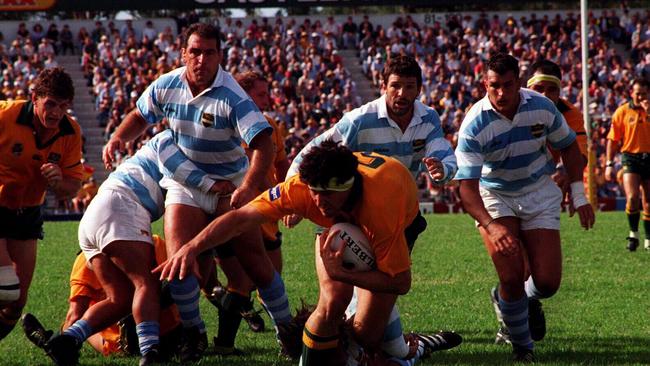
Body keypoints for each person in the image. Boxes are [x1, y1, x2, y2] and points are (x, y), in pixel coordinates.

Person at [156, 141, 462, 366]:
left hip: (397, 224)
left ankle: (412, 349)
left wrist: (344, 273)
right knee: (331, 303)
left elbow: (400, 283)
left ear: (348, 186)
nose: (318, 203)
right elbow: (240, 219)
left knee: (368, 335)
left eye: (328, 194)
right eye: (314, 192)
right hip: (345, 226)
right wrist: (192, 247)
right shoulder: (300, 189)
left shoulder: (381, 207)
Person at [102, 23, 296, 360]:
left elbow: (263, 144)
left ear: (220, 56)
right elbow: (139, 115)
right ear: (183, 54)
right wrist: (120, 136)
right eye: (195, 51)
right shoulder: (168, 84)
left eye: (209, 52)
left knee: (255, 261)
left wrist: (249, 185)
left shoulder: (233, 95)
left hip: (230, 186)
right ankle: (194, 334)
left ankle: (287, 332)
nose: (201, 59)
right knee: (179, 262)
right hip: (186, 184)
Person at [285, 54, 458, 362]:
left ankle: (405, 349)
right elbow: (310, 152)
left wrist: (442, 169)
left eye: (409, 87)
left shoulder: (427, 117)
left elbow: (442, 150)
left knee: (375, 317)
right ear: (383, 86)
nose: (402, 94)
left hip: (398, 221)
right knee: (355, 308)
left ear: (419, 88)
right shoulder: (359, 120)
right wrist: (296, 196)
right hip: (352, 219)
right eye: (395, 86)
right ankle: (392, 350)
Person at [42, 129, 227, 366]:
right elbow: (183, 172)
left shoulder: (169, 143)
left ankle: (68, 340)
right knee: (145, 284)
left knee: (120, 298)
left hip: (95, 216)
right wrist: (214, 186)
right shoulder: (170, 140)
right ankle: (150, 353)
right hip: (119, 207)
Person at [455, 53, 595, 362]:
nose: (501, 93)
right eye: (494, 86)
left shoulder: (541, 107)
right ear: (484, 84)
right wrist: (491, 226)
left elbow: (569, 146)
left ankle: (507, 302)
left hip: (537, 190)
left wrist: (579, 194)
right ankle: (522, 347)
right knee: (512, 273)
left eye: (508, 85)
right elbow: (465, 188)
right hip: (495, 195)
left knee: (546, 282)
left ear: (519, 82)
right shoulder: (474, 123)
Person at [208, 71, 291, 355]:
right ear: (244, 95)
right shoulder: (229, 125)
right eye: (261, 94)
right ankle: (227, 339)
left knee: (268, 277)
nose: (267, 99)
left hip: (267, 212)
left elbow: (281, 164)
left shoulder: (269, 125)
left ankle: (237, 321)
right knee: (244, 281)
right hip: (238, 211)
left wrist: (285, 189)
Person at [0, 67, 83, 341]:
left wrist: (58, 181)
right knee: (5, 288)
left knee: (16, 303)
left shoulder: (71, 132)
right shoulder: (6, 115)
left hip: (28, 212)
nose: (56, 113)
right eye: (50, 104)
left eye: (62, 106)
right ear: (34, 97)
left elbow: (73, 188)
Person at [21, 236, 181, 360]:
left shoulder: (85, 259)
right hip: (170, 336)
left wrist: (63, 338)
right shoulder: (153, 242)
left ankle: (51, 342)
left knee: (85, 316)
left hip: (125, 343)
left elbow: (74, 316)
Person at [605, 78, 650, 251]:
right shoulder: (622, 112)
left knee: (648, 201)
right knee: (632, 197)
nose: (640, 97)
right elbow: (612, 139)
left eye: (644, 94)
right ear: (632, 93)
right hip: (630, 157)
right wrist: (609, 164)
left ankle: (648, 239)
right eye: (637, 93)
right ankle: (633, 234)